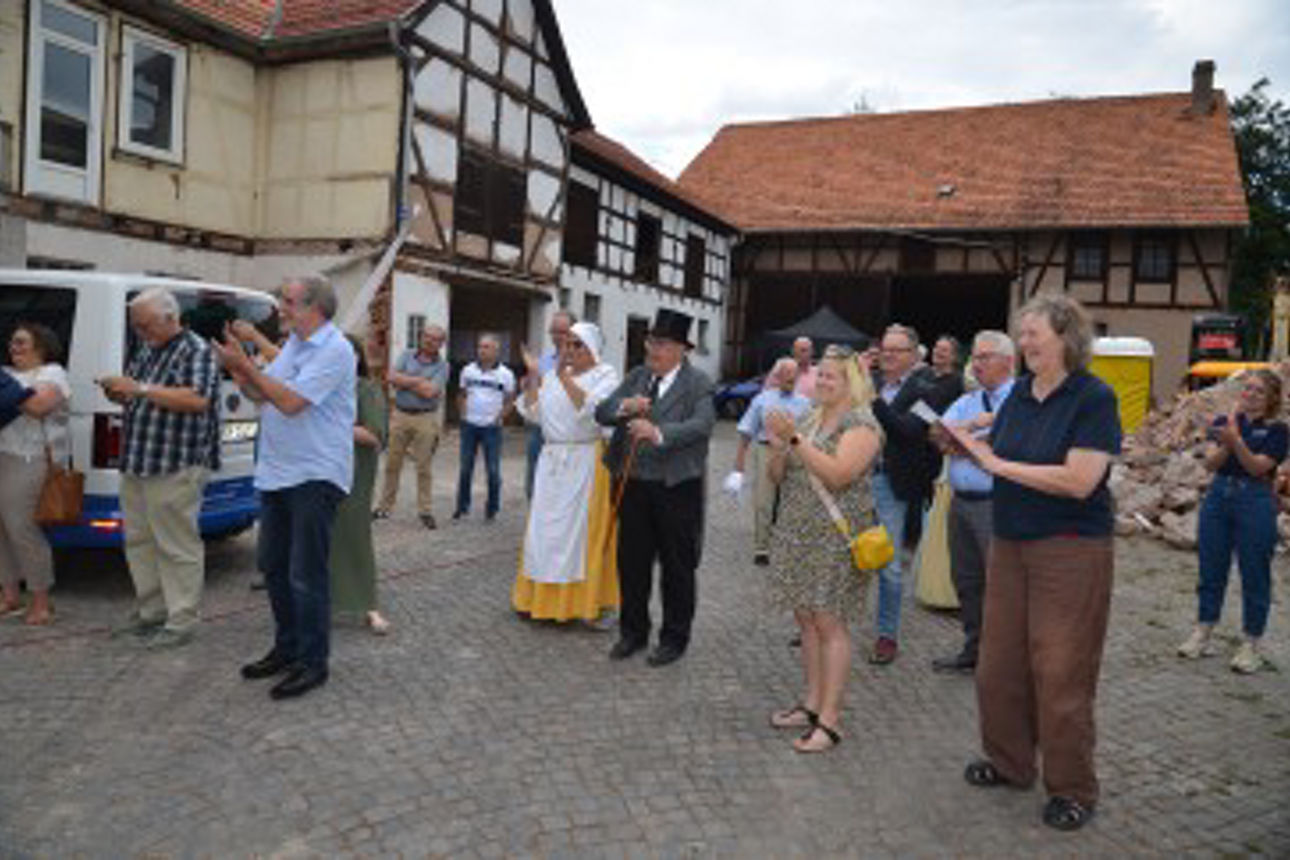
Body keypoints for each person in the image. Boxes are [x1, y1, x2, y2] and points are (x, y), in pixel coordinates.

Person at [942, 293, 1121, 833]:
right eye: (1021, 336)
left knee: (1060, 668)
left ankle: (1072, 787)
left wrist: (997, 464)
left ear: (1066, 338)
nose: (1024, 344)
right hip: (1011, 543)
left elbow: (1080, 480)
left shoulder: (1094, 399)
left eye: (1033, 335)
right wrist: (962, 439)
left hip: (1071, 549)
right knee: (999, 663)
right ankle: (1010, 762)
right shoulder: (1021, 391)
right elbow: (994, 428)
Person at [213, 275, 356, 700]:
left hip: (314, 473)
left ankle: (313, 662)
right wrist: (240, 368)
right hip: (277, 471)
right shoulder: (293, 345)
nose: (281, 307)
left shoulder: (335, 349)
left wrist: (245, 366)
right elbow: (261, 396)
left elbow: (291, 403)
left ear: (315, 308)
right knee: (274, 567)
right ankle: (287, 647)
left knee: (306, 574)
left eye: (288, 301)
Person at [763, 346, 883, 753]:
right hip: (798, 534)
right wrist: (780, 447)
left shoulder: (862, 424)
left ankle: (830, 720)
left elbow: (838, 475)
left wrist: (794, 439)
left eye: (833, 376)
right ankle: (811, 704)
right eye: (821, 375)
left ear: (853, 383)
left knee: (830, 625)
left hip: (833, 539)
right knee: (806, 621)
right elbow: (777, 476)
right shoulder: (810, 417)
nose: (823, 382)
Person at [595, 309, 715, 667]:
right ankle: (633, 632)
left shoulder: (698, 383)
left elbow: (703, 425)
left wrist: (659, 432)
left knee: (677, 565)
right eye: (650, 341)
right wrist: (624, 406)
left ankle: (674, 637)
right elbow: (602, 412)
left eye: (661, 343)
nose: (653, 349)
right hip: (631, 483)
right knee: (631, 562)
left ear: (681, 348)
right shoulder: (637, 376)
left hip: (676, 486)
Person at [99, 291, 220, 648]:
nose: (140, 332)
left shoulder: (196, 349)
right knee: (138, 541)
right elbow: (141, 394)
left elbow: (198, 399)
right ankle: (152, 611)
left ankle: (181, 619)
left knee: (177, 544)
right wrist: (119, 393)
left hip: (176, 462)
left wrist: (139, 388)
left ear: (170, 317)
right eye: (136, 325)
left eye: (145, 324)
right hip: (139, 460)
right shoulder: (149, 348)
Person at [1177, 369, 1286, 674]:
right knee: (1211, 567)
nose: (1250, 395)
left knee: (1254, 571)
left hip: (1255, 500)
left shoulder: (1278, 431)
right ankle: (1203, 630)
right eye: (1247, 389)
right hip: (1218, 497)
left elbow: (1256, 468)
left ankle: (1251, 643)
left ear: (1271, 399)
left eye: (1258, 391)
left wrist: (1236, 441)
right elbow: (1211, 463)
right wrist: (1228, 440)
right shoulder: (1226, 423)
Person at [512, 322, 620, 622]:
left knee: (578, 538)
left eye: (577, 345)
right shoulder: (554, 376)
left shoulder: (605, 376)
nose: (569, 350)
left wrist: (562, 377)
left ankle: (581, 605)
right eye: (567, 344)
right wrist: (535, 376)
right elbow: (533, 411)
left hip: (584, 459)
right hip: (551, 462)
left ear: (592, 348)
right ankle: (538, 602)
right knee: (544, 533)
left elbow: (593, 410)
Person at [927, 331, 1016, 672]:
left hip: (997, 504)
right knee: (966, 580)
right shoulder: (970, 401)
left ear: (1007, 362)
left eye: (984, 358)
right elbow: (935, 434)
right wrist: (972, 435)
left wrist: (960, 440)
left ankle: (1001, 657)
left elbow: (1002, 446)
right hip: (960, 501)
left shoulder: (1019, 400)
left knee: (999, 583)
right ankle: (973, 648)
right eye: (974, 358)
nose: (975, 365)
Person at [868, 324, 955, 664]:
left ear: (913, 356)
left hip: (891, 484)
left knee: (887, 563)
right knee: (843, 552)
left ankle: (886, 634)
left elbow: (907, 432)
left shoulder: (926, 391)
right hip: (852, 478)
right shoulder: (870, 383)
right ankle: (829, 622)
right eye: (884, 348)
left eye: (896, 350)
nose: (887, 354)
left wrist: (873, 401)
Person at [0, 323, 70, 626]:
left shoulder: (52, 373)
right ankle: (10, 595)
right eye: (12, 343)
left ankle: (42, 601)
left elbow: (39, 405)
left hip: (30, 458)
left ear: (41, 346)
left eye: (21, 343)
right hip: (2, 455)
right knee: (0, 529)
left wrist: (8, 388)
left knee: (21, 527)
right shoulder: (8, 375)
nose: (13, 348)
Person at [330, 334, 390, 634]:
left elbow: (375, 436)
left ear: (355, 359)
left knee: (354, 536)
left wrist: (333, 424)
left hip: (354, 472)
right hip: (320, 473)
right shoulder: (322, 388)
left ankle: (368, 604)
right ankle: (324, 601)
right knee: (322, 539)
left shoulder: (367, 390)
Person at [726, 358, 812, 565]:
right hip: (765, 449)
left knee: (791, 498)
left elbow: (810, 435)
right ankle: (762, 548)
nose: (791, 377)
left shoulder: (806, 404)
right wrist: (739, 465)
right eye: (787, 373)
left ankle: (787, 543)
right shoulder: (762, 400)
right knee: (764, 500)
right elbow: (746, 431)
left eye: (794, 373)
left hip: (794, 451)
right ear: (778, 376)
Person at [373, 324, 448, 529]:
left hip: (426, 418)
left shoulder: (443, 366)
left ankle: (425, 510)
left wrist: (405, 381)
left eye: (434, 339)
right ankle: (385, 507)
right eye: (426, 336)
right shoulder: (406, 355)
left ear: (441, 344)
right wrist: (419, 381)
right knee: (392, 464)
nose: (429, 341)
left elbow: (431, 392)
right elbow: (390, 377)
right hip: (400, 414)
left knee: (423, 466)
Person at [453, 333, 516, 522]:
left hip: (492, 428)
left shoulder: (506, 374)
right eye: (480, 346)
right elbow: (461, 394)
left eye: (487, 347)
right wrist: (463, 414)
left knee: (493, 470)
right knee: (465, 468)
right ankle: (462, 507)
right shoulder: (468, 371)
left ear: (497, 350)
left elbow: (510, 400)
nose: (482, 350)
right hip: (470, 426)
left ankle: (492, 509)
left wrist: (499, 418)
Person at [525, 310, 576, 500]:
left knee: (562, 488)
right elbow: (533, 396)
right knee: (533, 483)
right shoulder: (544, 360)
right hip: (540, 430)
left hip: (568, 434)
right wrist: (531, 378)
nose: (557, 337)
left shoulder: (582, 362)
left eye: (563, 332)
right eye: (554, 332)